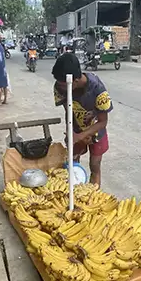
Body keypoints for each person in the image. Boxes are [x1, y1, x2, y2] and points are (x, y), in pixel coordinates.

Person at [51, 53, 113, 186]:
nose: (60, 88)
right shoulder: (59, 88)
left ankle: (94, 196)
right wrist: (70, 132)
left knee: (94, 165)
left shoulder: (98, 90)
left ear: (75, 80)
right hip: (76, 129)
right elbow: (68, 111)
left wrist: (81, 136)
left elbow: (103, 121)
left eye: (63, 85)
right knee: (72, 164)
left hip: (96, 131)